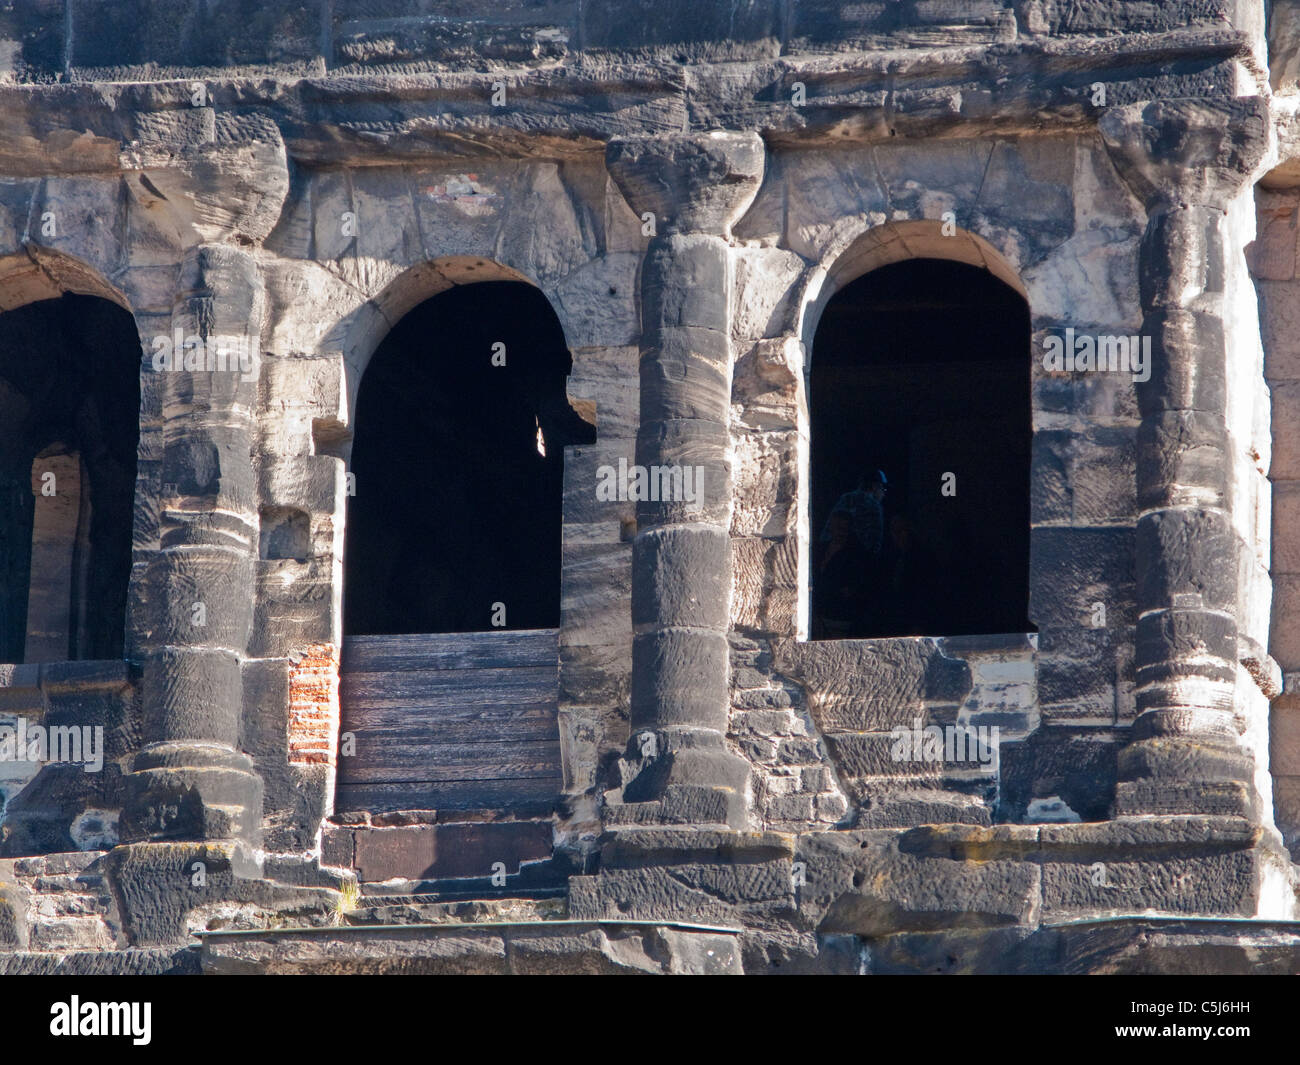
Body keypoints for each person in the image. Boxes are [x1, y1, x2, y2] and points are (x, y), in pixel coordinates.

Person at [821, 470, 887, 558]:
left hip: (835, 555)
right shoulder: (874, 506)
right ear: (875, 486)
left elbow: (827, 533)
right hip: (859, 560)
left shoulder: (846, 499)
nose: (884, 494)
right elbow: (874, 545)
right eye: (883, 489)